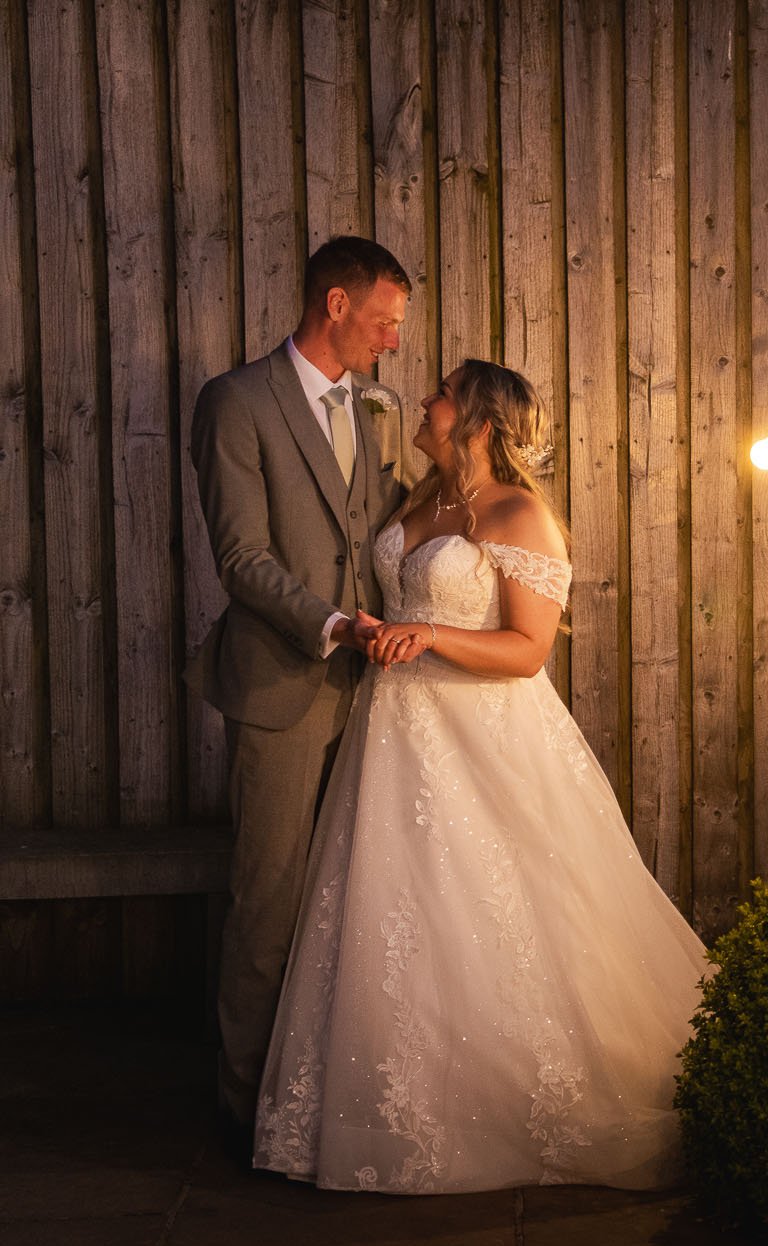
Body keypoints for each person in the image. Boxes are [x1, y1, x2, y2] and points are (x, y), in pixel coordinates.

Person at [252, 359, 709, 1193]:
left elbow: (528, 651)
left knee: (502, 906)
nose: (425, 401)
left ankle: (513, 1102)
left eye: (442, 394)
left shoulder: (518, 514)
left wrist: (427, 637)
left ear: (479, 422)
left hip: (485, 735)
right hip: (393, 735)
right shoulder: (417, 501)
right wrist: (377, 630)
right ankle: (396, 1104)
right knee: (400, 911)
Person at [188, 236, 410, 1136]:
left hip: (372, 693)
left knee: (347, 899)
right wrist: (330, 624)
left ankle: (317, 1096)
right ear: (335, 306)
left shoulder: (373, 408)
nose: (392, 340)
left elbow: (383, 526)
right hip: (284, 686)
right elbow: (242, 555)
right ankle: (248, 1110)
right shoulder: (236, 402)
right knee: (271, 897)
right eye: (385, 321)